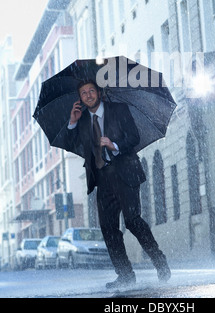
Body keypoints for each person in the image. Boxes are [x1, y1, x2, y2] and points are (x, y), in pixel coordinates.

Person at [65, 79, 171, 290]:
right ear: (81, 98)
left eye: (91, 91)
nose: (88, 95)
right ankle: (125, 275)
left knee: (132, 221)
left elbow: (134, 136)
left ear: (99, 93)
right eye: (83, 93)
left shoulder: (119, 109)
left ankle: (159, 261)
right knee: (108, 228)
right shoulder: (83, 120)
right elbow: (73, 145)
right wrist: (73, 122)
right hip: (103, 179)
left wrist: (114, 145)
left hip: (125, 174)